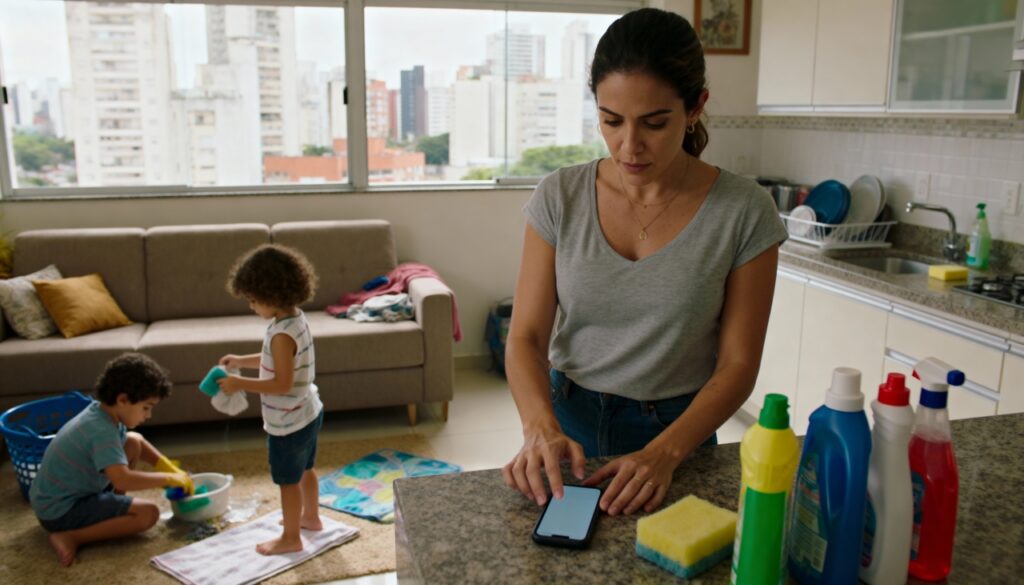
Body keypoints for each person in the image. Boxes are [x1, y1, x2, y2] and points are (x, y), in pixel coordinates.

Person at [501, 8, 788, 518]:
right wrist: (538, 426)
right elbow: (524, 335)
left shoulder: (744, 211)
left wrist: (665, 453)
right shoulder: (560, 196)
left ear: (695, 107)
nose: (628, 147)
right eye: (612, 121)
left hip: (679, 431)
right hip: (567, 420)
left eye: (655, 123)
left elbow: (738, 364)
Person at [30, 352, 192, 567]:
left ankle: (114, 506)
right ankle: (72, 536)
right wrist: (168, 479)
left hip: (61, 497)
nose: (148, 415)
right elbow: (122, 480)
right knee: (148, 514)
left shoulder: (103, 413)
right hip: (61, 511)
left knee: (133, 441)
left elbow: (138, 443)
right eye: (146, 407)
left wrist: (169, 468)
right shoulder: (101, 431)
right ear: (123, 399)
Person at [218, 243, 323, 555]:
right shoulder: (293, 320)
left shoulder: (280, 334)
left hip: (288, 421)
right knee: (306, 469)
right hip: (308, 411)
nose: (251, 307)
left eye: (252, 300)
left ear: (272, 295)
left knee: (288, 482)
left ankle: (291, 538)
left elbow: (280, 382)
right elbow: (272, 361)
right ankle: (311, 518)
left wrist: (239, 383)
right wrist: (240, 361)